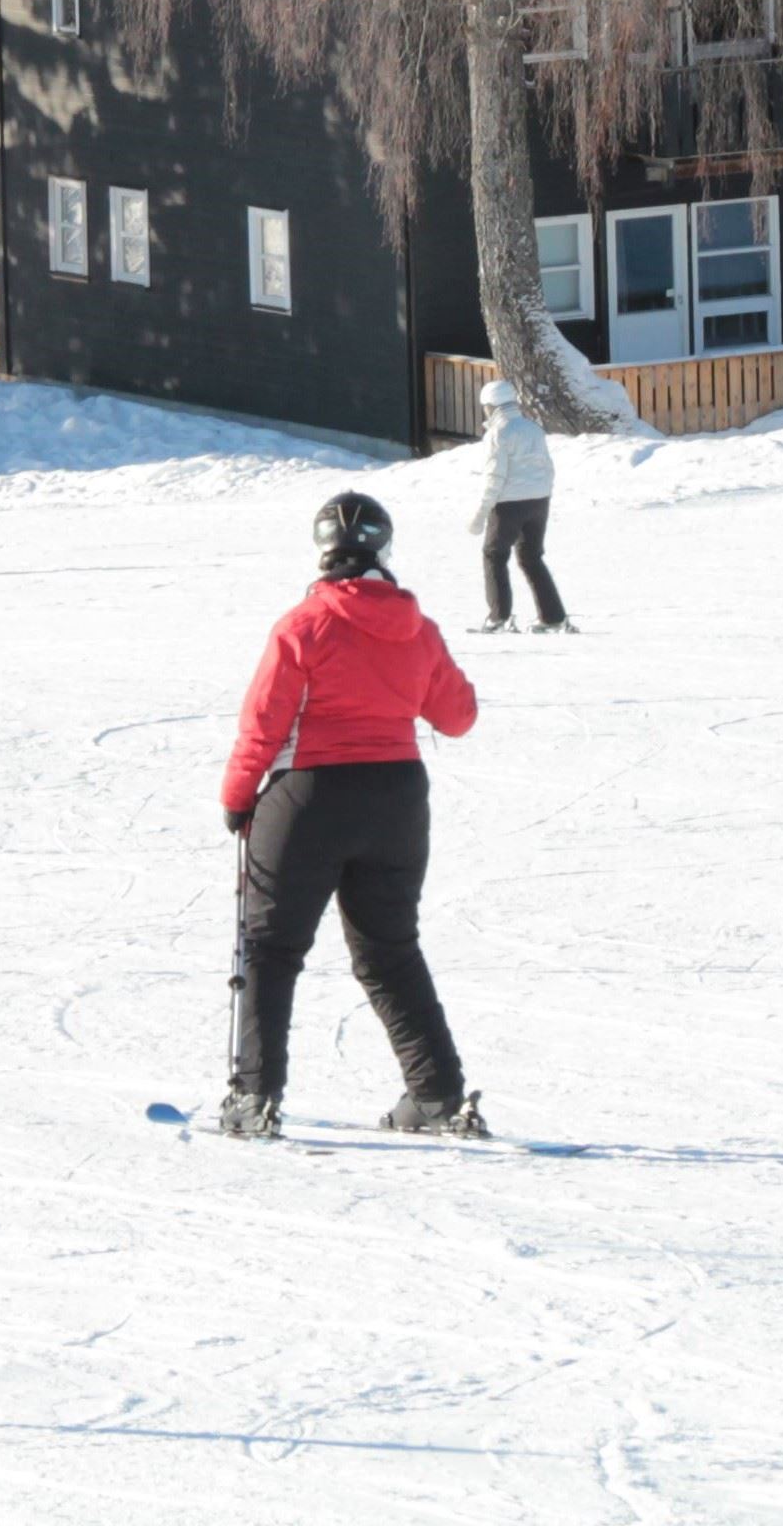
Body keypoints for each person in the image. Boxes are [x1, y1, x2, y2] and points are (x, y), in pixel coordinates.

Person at [212, 490, 485, 1141]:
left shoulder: (303, 625)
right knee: (390, 950)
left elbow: (263, 723)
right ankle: (438, 1098)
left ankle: (254, 1098)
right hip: (396, 797)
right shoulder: (418, 628)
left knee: (271, 947)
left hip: (308, 797)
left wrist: (237, 796)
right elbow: (457, 717)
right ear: (383, 550)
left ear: (321, 551)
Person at [466, 374, 570, 633]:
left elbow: (494, 477)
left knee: (494, 554)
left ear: (491, 406)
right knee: (531, 558)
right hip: (539, 502)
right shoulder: (533, 429)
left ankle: (498, 618)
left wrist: (480, 513)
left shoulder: (498, 433)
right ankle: (553, 618)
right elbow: (547, 468)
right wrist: (542, 495)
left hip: (508, 505)